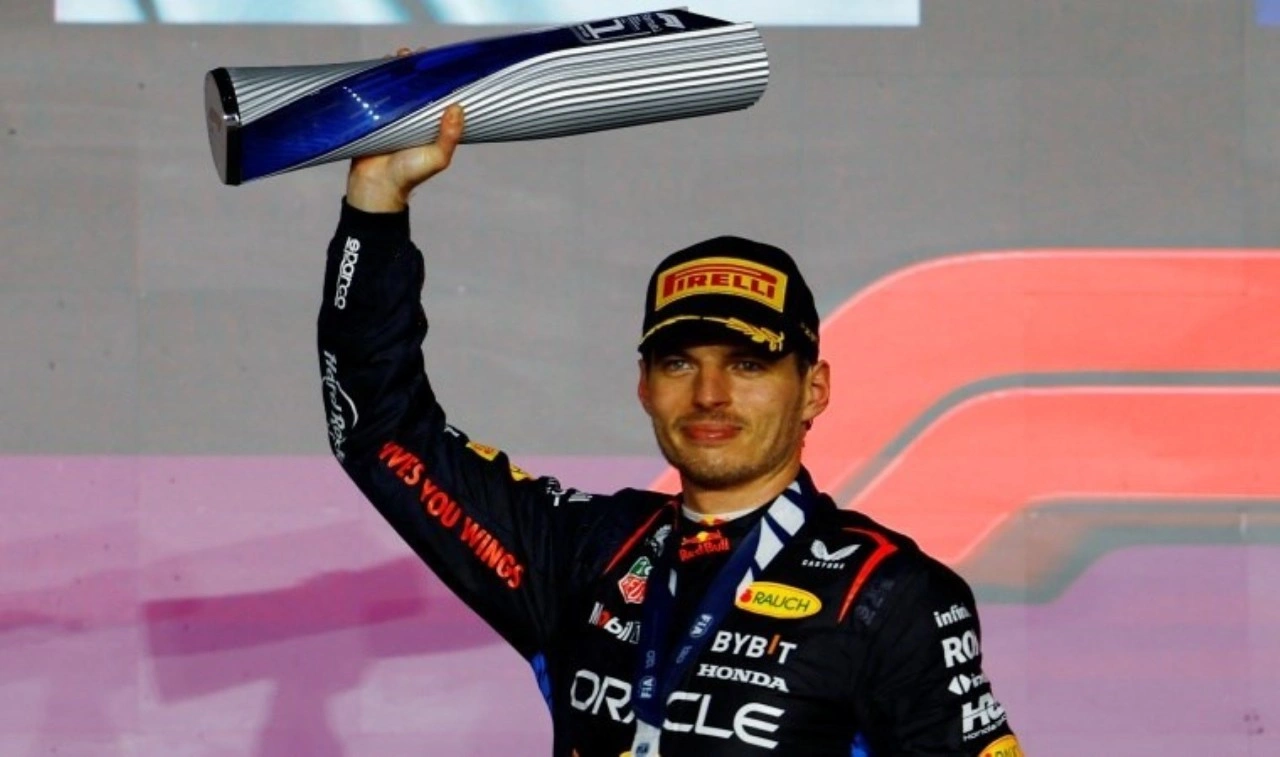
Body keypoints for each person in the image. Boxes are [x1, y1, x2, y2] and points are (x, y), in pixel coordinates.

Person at [316, 103, 1022, 756]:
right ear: (645, 385)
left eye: (748, 364)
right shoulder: (584, 552)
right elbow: (379, 431)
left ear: (814, 390)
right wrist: (376, 203)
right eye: (680, 362)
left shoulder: (890, 596)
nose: (710, 394)